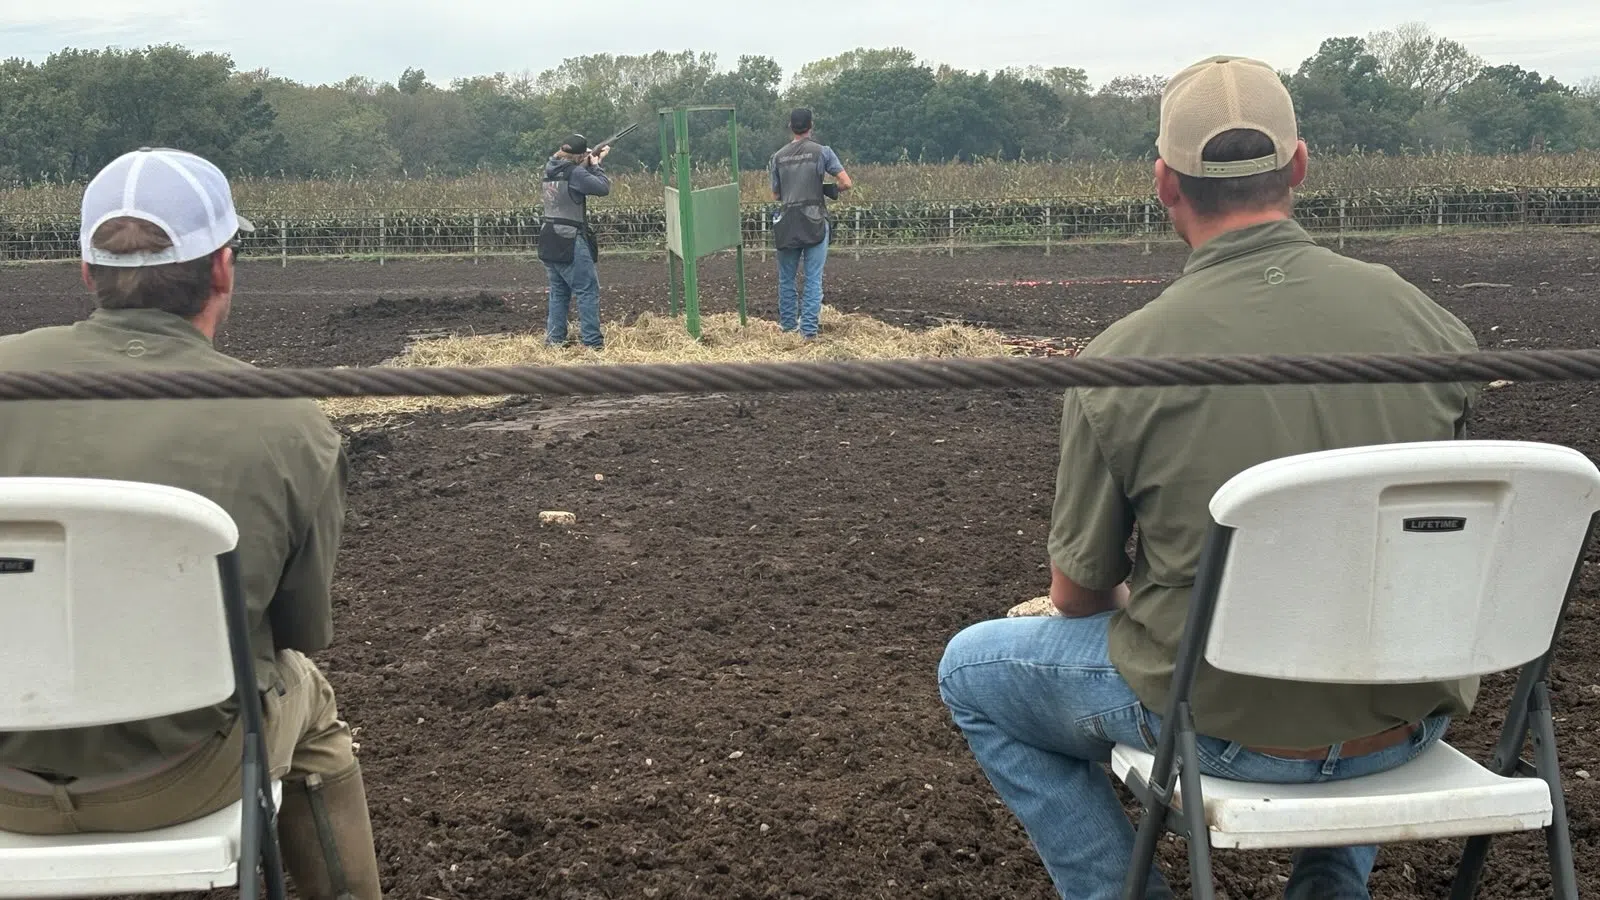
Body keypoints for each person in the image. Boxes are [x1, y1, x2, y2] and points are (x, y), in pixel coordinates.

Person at [936, 56, 1481, 900]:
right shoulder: (1427, 323)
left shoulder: (1123, 361)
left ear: (1163, 182)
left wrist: (1142, 604)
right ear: (1299, 165)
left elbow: (1077, 597)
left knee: (972, 672)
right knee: (1358, 620)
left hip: (1222, 728)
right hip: (1401, 720)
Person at [0, 147, 382, 900]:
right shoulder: (289, 422)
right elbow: (299, 628)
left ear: (88, 272)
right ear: (222, 269)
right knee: (312, 699)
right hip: (180, 777)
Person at [769, 108, 852, 340]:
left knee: (786, 278)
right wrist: (827, 190)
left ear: (790, 126)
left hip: (787, 222)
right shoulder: (822, 152)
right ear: (810, 126)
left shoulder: (778, 157)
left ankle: (787, 328)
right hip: (814, 220)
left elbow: (776, 195)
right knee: (813, 278)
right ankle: (808, 332)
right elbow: (846, 182)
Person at [539, 134, 612, 350]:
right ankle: (592, 344)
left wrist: (587, 165)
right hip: (569, 238)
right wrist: (597, 165)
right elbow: (603, 188)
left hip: (549, 236)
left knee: (559, 292)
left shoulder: (549, 168)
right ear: (580, 156)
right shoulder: (576, 172)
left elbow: (576, 182)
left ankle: (555, 342)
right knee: (587, 290)